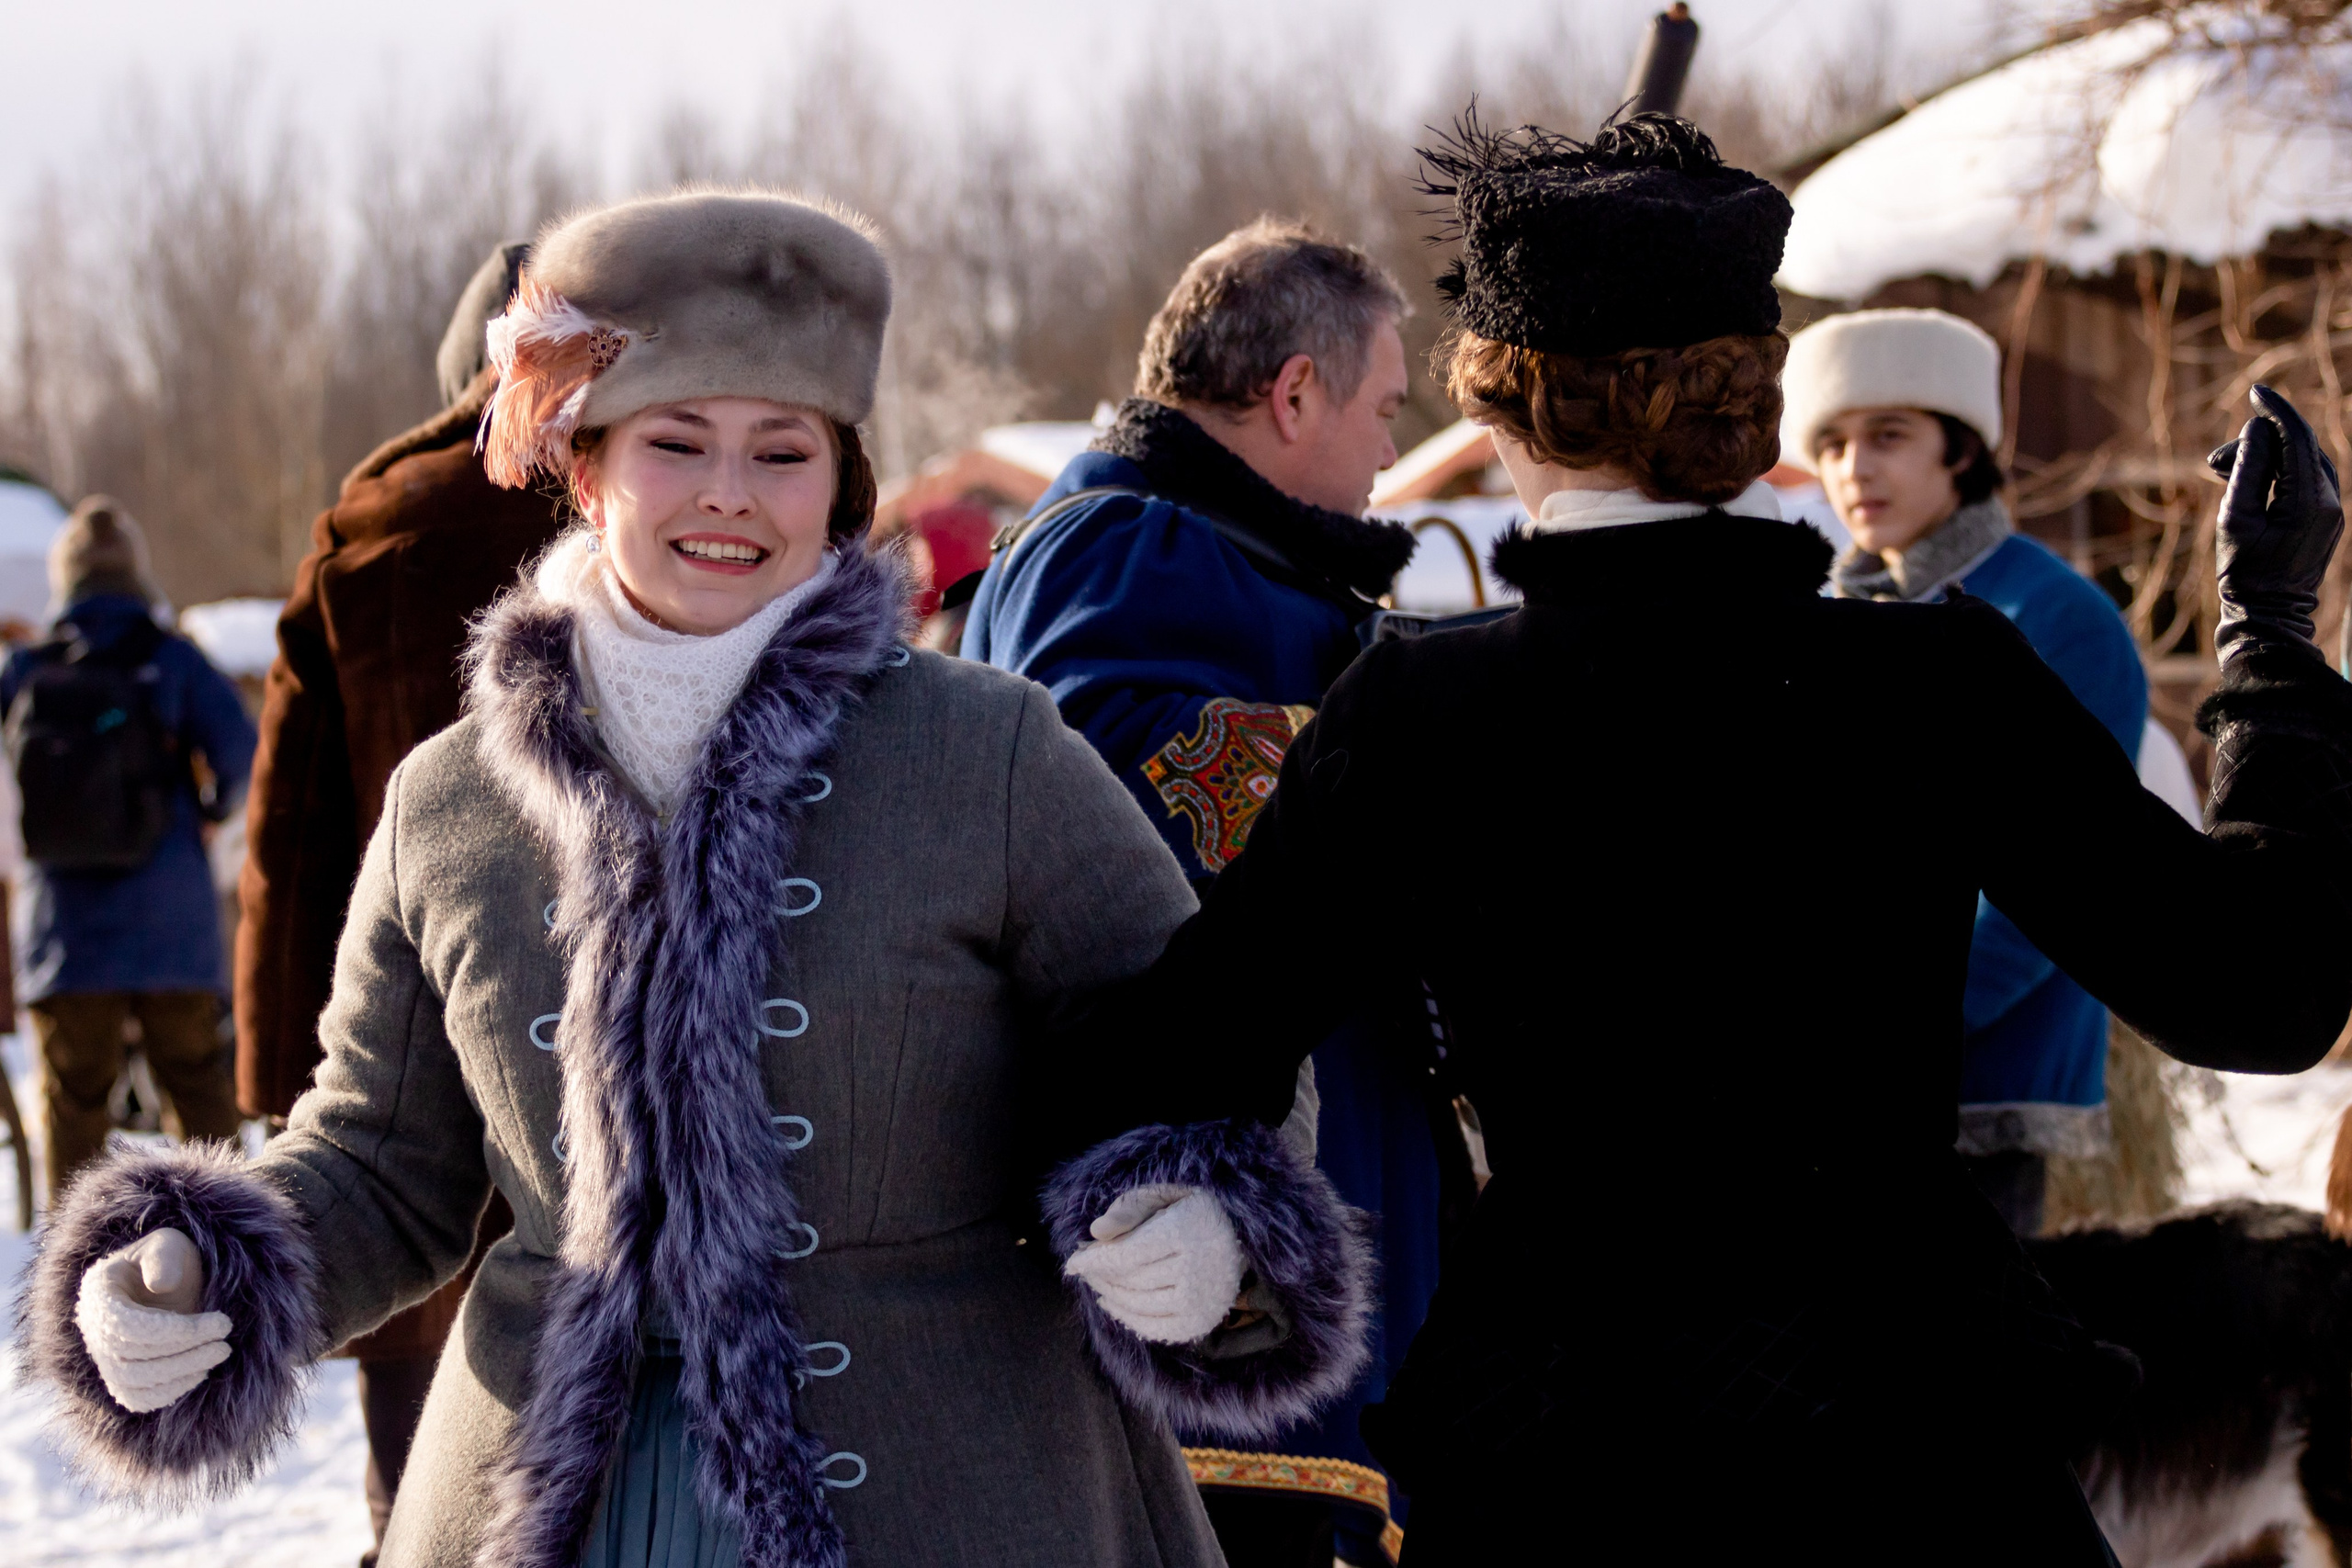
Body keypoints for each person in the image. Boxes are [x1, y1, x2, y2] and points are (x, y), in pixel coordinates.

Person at [1035, 115, 2352, 1563]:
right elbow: (2264, 992)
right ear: (1759, 412)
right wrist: (2270, 642)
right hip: (1915, 1460)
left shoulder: (1427, 709)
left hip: (1574, 1463)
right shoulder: (1935, 679)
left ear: (1510, 405)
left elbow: (1180, 1047)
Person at [19, 189, 1365, 1568]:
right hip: (547, 1492)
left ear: (838, 487)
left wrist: (1207, 1217)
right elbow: (381, 1164)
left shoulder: (991, 751)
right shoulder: (449, 799)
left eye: (781, 450)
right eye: (677, 441)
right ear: (586, 469)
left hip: (959, 1480)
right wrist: (205, 1276)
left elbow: (1208, 1051)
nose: (729, 491)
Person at [964, 219, 1456, 1566]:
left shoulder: (1188, 543)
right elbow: (1122, 809)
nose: (1385, 455)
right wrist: (1427, 744)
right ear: (1294, 393)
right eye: (1380, 410)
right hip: (1201, 1221)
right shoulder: (1131, 550)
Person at [234, 239, 558, 1564]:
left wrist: (283, 1076)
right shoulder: (684, 487)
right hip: (633, 1021)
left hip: (413, 1008)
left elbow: (294, 842)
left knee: (427, 1415)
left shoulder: (370, 539)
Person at [1781, 308, 2150, 1236]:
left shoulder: (2054, 614)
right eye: (1830, 443)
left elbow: (2066, 877)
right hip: (1833, 1084)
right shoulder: (1826, 620)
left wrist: (1886, 1032)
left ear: (1960, 447)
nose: (1853, 469)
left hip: (1980, 1089)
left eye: (1888, 436)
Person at [5, 497, 254, 1203]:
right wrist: (207, 813)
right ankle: (232, 1253)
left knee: (74, 1109)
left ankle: (70, 1276)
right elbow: (242, 753)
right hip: (171, 923)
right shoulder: (171, 660)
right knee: (200, 1096)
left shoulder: (29, 668)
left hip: (65, 934)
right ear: (133, 578)